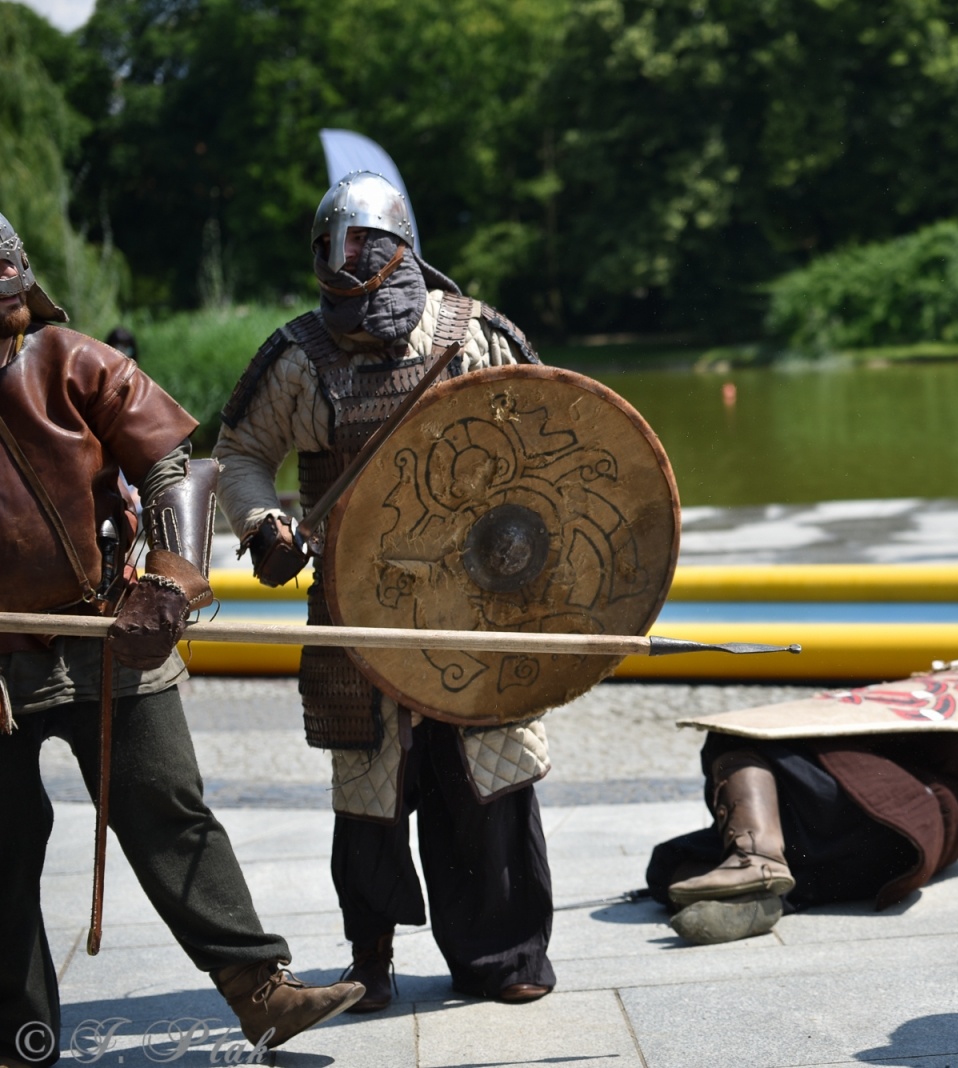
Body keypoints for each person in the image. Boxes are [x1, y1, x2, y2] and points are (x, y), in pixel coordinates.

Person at [0, 211, 362, 1066]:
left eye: (10, 296)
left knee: (170, 810)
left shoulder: (71, 361)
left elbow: (168, 462)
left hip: (106, 628)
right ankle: (19, 1034)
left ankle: (260, 993)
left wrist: (167, 579)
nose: (9, 315)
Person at [213, 172, 556, 1012]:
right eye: (333, 246)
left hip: (475, 598)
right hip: (355, 605)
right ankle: (372, 958)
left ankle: (503, 956)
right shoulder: (299, 356)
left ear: (400, 245)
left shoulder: (473, 335)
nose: (347, 259)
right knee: (370, 791)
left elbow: (551, 434)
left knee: (487, 778)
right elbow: (241, 453)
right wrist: (264, 527)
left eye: (362, 243)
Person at [646, 730, 958, 945]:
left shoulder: (955, 768)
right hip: (880, 865)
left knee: (731, 736)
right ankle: (757, 896)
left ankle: (754, 860)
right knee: (668, 861)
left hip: (867, 815)